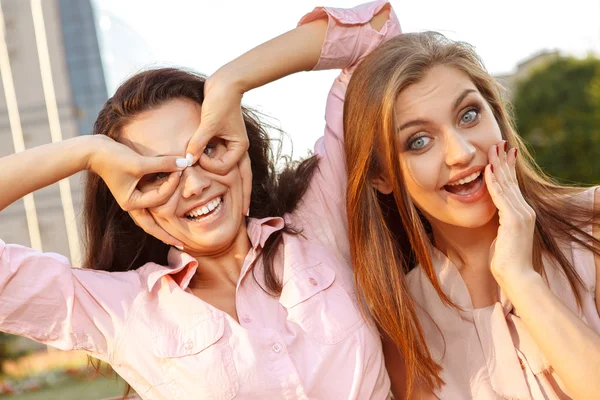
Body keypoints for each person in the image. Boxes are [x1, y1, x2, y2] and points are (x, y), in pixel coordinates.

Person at [0, 2, 400, 399]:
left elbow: (378, 35)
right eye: (157, 175)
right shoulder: (121, 309)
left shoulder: (319, 220)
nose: (192, 185)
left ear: (239, 145)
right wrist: (85, 154)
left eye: (207, 148)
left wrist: (231, 81)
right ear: (132, 202)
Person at [340, 31, 600, 399]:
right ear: (382, 176)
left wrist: (521, 279)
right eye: (418, 141)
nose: (460, 153)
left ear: (495, 114)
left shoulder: (592, 224)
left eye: (469, 115)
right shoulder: (402, 325)